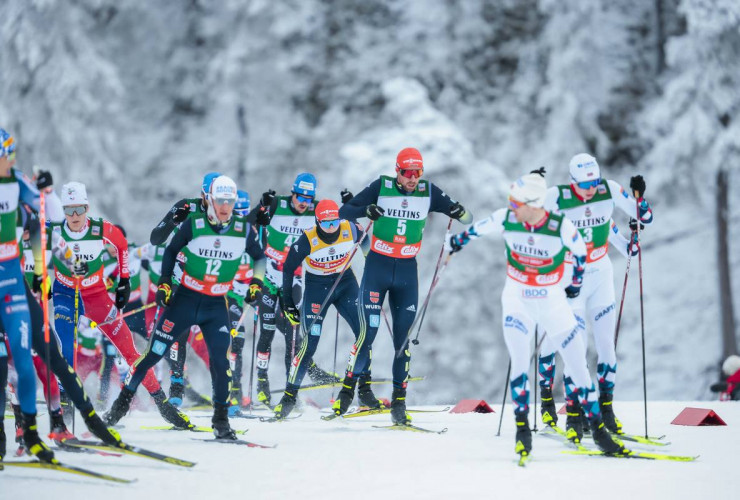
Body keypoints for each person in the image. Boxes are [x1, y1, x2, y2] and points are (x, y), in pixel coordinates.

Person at [447, 169, 626, 458]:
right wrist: (454, 243)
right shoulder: (507, 218)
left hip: (552, 301)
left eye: (516, 203)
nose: (511, 207)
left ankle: (599, 432)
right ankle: (521, 432)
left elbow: (581, 251)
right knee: (520, 362)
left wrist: (575, 284)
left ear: (533, 205)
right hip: (518, 302)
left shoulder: (559, 225)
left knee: (578, 364)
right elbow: (477, 229)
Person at [104, 176, 266, 439]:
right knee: (154, 353)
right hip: (185, 298)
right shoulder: (194, 220)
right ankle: (119, 407)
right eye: (218, 200)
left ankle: (221, 421)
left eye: (229, 201)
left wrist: (256, 283)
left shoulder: (241, 228)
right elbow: (166, 248)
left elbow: (260, 255)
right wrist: (165, 283)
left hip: (215, 305)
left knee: (221, 361)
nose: (224, 206)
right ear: (207, 198)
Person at [337, 147, 471, 424]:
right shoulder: (382, 186)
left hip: (407, 272)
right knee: (367, 333)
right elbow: (343, 211)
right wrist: (366, 210)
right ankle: (347, 392)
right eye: (407, 172)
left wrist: (459, 211)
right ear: (397, 171)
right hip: (378, 267)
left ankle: (399, 402)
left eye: (417, 172)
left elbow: (467, 217)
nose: (412, 178)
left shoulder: (428, 191)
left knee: (402, 341)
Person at [47, 181, 191, 428]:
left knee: (131, 351)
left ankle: (162, 402)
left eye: (79, 210)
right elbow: (28, 243)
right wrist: (38, 277)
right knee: (65, 348)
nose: (74, 216)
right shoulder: (55, 230)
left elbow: (122, 245)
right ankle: (64, 408)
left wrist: (124, 280)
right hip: (65, 295)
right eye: (68, 210)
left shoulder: (99, 229)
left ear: (87, 208)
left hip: (96, 295)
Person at [537, 154, 654, 437]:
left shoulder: (609, 190)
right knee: (575, 345)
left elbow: (642, 224)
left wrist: (639, 202)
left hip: (601, 275)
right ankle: (572, 415)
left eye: (593, 183)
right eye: (583, 185)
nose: (589, 190)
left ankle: (606, 411)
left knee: (606, 347)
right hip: (569, 276)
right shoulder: (558, 196)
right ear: (572, 181)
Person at [273, 199, 378, 419]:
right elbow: (288, 268)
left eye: (334, 222)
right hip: (316, 288)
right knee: (310, 343)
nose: (331, 228)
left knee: (365, 333)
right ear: (317, 221)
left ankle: (365, 391)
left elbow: (368, 247)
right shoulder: (307, 238)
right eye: (326, 224)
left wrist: (372, 271)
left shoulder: (350, 228)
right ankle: (288, 398)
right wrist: (287, 302)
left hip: (345, 283)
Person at [251, 173, 338, 406]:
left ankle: (292, 390)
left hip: (294, 278)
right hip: (269, 276)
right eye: (300, 196)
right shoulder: (278, 204)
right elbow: (247, 224)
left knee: (293, 335)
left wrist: (348, 206)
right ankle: (262, 382)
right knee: (267, 331)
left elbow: (340, 222)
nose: (304, 202)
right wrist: (262, 206)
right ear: (293, 193)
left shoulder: (316, 210)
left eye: (309, 198)